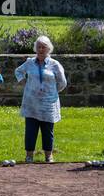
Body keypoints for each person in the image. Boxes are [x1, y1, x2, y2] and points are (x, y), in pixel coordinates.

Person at [14, 35, 68, 163]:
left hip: (48, 103)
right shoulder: (29, 62)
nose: (41, 49)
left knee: (47, 130)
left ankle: (48, 156)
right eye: (38, 47)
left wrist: (52, 91)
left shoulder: (55, 64)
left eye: (44, 47)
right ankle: (29, 156)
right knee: (31, 130)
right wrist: (25, 83)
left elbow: (62, 82)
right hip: (31, 102)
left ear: (48, 49)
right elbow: (18, 72)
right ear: (35, 48)